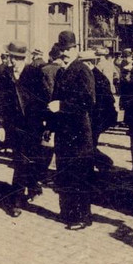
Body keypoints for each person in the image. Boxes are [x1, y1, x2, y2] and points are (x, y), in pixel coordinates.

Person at [47, 31, 96, 230]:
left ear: (76, 49)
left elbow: (88, 102)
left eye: (69, 49)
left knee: (79, 174)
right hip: (64, 133)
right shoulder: (62, 71)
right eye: (62, 50)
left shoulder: (83, 70)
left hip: (79, 133)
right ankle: (67, 213)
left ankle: (82, 216)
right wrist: (50, 127)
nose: (65, 53)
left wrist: (63, 106)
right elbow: (54, 101)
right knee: (65, 173)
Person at [0, 41, 47, 217]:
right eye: (11, 58)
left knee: (30, 160)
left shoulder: (34, 73)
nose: (13, 62)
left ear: (22, 58)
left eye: (16, 59)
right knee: (19, 162)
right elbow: (0, 102)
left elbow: (42, 100)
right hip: (14, 127)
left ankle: (33, 186)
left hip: (33, 127)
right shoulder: (4, 75)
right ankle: (16, 202)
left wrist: (45, 123)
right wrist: (0, 125)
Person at [85, 50, 117, 173]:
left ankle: (105, 163)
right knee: (90, 143)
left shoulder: (95, 76)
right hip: (100, 115)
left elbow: (102, 100)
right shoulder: (96, 74)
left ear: (88, 63)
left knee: (89, 144)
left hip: (99, 116)